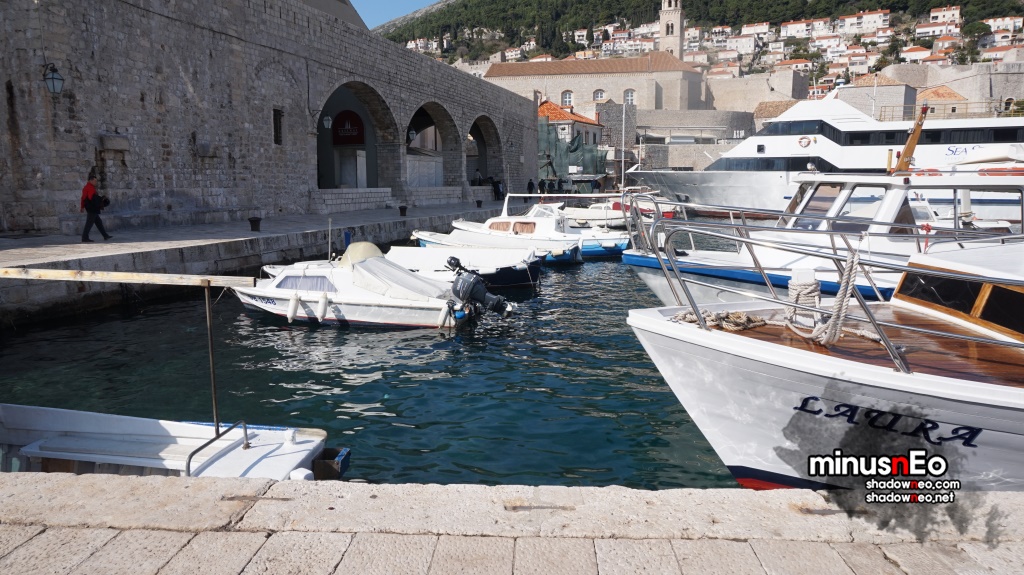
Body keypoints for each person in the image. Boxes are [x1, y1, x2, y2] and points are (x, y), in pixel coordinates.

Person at [80, 170, 112, 242]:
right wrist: (101, 200)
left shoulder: (87, 187)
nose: (96, 182)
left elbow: (83, 198)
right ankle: (84, 238)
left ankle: (105, 235)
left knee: (98, 222)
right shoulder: (90, 188)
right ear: (91, 180)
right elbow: (91, 198)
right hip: (92, 208)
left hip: (91, 208)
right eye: (95, 181)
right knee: (89, 223)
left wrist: (82, 207)